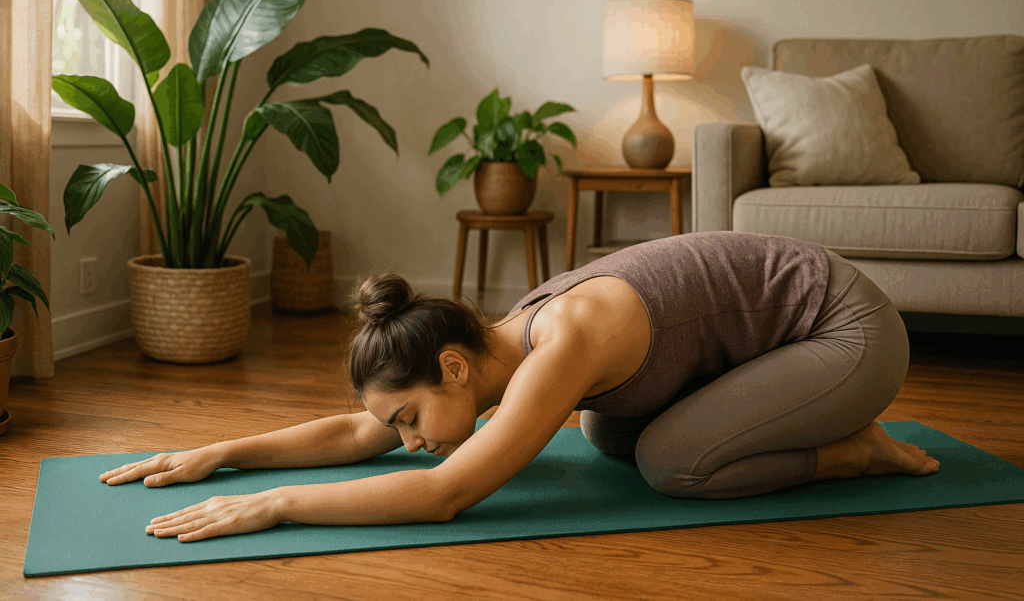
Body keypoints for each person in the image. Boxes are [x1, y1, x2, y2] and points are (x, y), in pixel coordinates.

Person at [100, 231, 939, 542]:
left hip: (849, 331)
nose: (410, 436)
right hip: (765, 335)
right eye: (403, 425)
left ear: (454, 368)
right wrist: (224, 452)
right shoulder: (495, 342)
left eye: (411, 416)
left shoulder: (562, 339)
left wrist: (277, 503)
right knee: (608, 431)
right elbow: (360, 434)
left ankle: (851, 449)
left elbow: (445, 492)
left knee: (674, 465)